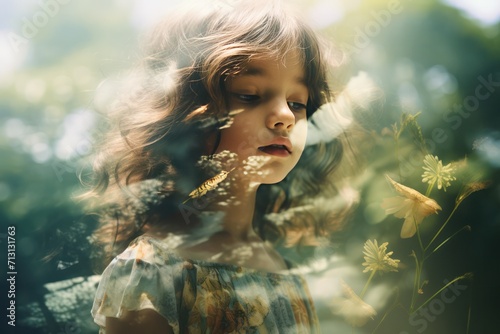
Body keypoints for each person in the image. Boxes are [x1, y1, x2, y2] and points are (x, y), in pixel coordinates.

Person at [87, 0, 362, 333]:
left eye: (297, 102)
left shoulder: (286, 270)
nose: (286, 116)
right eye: (249, 95)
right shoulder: (151, 273)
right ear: (187, 110)